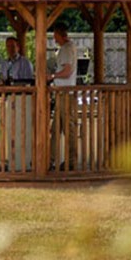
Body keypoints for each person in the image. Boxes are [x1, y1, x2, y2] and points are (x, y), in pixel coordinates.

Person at [49, 22, 78, 170]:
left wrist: (52, 76)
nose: (54, 39)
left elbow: (66, 72)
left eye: (55, 36)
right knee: (56, 128)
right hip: (62, 93)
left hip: (65, 93)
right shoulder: (68, 48)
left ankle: (71, 160)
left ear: (60, 35)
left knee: (68, 127)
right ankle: (51, 160)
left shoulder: (66, 49)